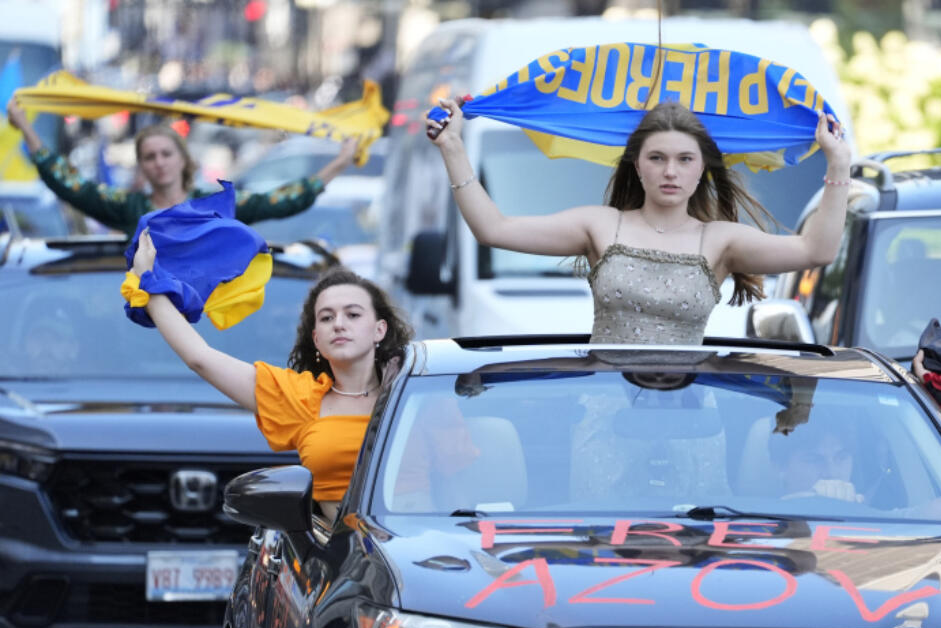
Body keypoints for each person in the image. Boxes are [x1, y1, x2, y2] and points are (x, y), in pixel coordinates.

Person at [427, 98, 851, 344]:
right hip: (603, 414)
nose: (671, 172)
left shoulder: (720, 241)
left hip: (692, 420)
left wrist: (839, 163)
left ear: (702, 168)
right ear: (637, 167)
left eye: (685, 160)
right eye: (657, 158)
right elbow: (494, 229)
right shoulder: (599, 226)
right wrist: (452, 148)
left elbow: (818, 249)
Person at [129, 230, 413, 523]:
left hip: (413, 554)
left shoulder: (414, 395)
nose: (339, 324)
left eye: (353, 315)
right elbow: (200, 358)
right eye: (327, 318)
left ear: (380, 329)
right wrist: (149, 283)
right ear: (317, 339)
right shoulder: (300, 397)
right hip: (342, 559)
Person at [7, 98, 360, 238]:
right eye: (149, 156)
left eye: (166, 153)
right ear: (142, 166)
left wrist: (340, 162)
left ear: (183, 160)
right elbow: (68, 183)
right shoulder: (128, 207)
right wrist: (25, 127)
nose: (159, 163)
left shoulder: (216, 206)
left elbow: (282, 200)